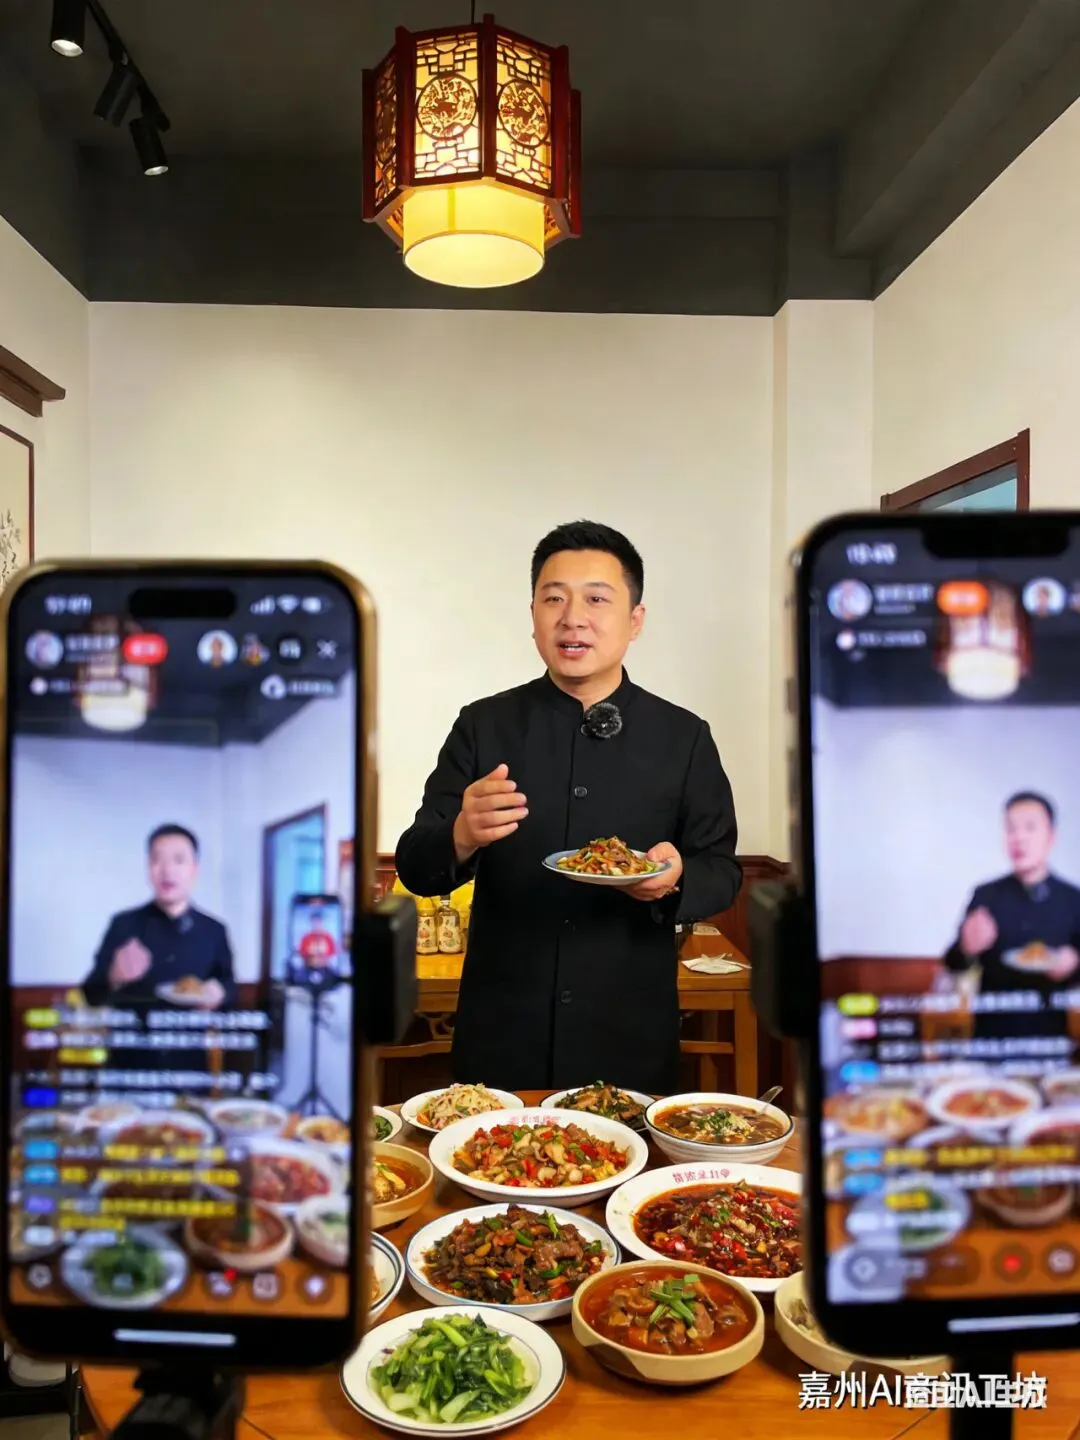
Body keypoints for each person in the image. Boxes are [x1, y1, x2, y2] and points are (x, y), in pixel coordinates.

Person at [395, 520, 741, 1093]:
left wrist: (676, 880)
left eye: (596, 599)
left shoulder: (684, 737)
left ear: (635, 620)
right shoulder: (483, 725)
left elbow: (722, 868)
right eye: (553, 598)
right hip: (503, 1034)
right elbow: (415, 864)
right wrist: (460, 834)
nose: (572, 617)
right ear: (533, 614)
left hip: (628, 1033)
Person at [943, 792, 1080, 1038]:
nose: (1019, 838)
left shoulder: (1073, 899)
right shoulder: (985, 895)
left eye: (1030, 828)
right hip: (991, 1038)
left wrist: (1074, 964)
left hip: (1049, 1038)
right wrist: (966, 948)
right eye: (1010, 829)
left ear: (1051, 837)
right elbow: (953, 963)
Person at [82, 824, 237, 1011]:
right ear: (148, 867)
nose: (167, 870)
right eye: (157, 860)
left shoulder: (215, 930)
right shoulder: (123, 924)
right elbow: (89, 995)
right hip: (135, 1030)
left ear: (194, 870)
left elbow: (230, 990)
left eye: (179, 860)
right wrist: (114, 975)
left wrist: (221, 993)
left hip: (190, 1029)